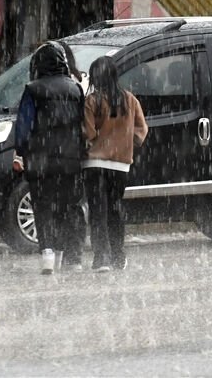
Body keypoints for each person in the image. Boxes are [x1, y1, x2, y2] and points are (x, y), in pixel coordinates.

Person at [13, 41, 86, 274]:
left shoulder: (33, 89)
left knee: (43, 207)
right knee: (68, 207)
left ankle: (48, 255)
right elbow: (83, 126)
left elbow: (24, 126)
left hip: (40, 161)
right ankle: (69, 257)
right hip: (71, 160)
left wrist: (22, 151)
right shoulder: (75, 90)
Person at [82, 56, 148, 272]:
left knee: (97, 210)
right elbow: (142, 129)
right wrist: (129, 143)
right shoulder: (129, 100)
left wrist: (94, 144)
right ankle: (119, 256)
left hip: (95, 163)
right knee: (114, 208)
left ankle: (101, 258)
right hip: (120, 165)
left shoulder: (92, 101)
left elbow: (87, 132)